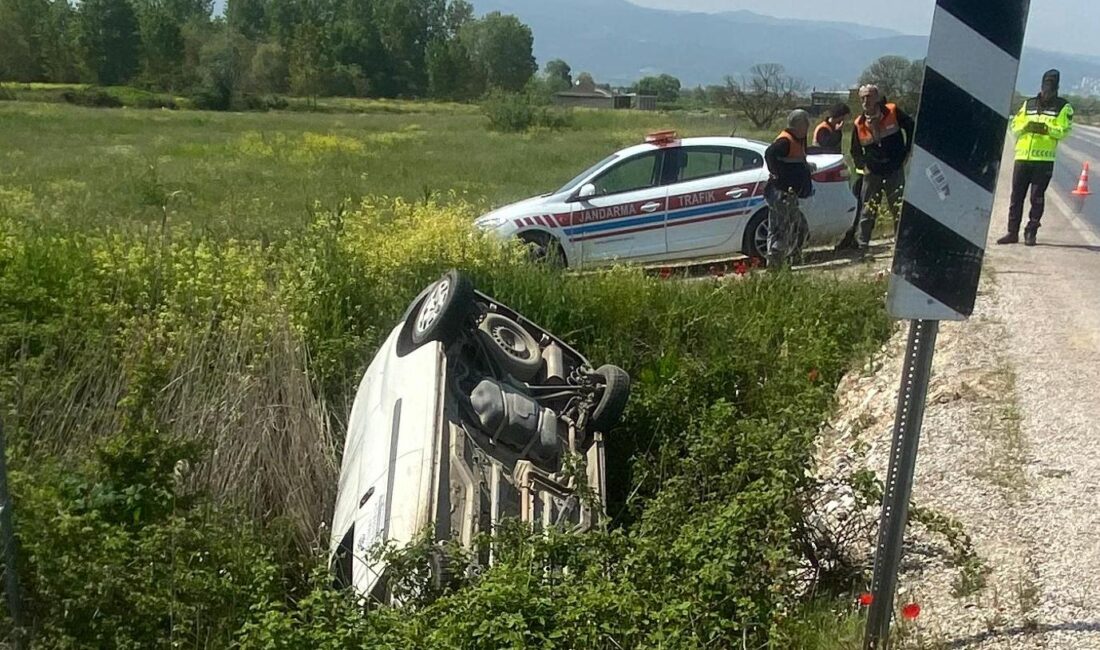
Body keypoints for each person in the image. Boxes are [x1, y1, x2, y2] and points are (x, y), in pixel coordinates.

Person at [998, 69, 1074, 246]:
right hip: (1023, 157)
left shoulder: (1064, 107)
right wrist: (1027, 125)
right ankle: (1012, 232)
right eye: (1045, 87)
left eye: (1051, 88)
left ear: (1056, 89)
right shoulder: (1028, 104)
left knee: (1036, 197)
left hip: (1043, 160)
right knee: (1016, 196)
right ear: (1041, 86)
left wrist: (1047, 129)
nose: (1047, 92)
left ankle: (1031, 232)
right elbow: (1015, 125)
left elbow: (1064, 131)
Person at [839, 84, 915, 253]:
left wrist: (907, 150)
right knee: (868, 210)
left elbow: (911, 126)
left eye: (869, 97)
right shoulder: (859, 123)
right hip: (873, 173)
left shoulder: (892, 111)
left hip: (894, 169)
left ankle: (901, 244)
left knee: (898, 208)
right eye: (863, 98)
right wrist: (863, 167)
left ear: (877, 98)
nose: (866, 101)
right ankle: (862, 246)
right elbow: (855, 150)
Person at [764, 109, 814, 269]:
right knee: (781, 230)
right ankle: (775, 267)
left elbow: (796, 161)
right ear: (799, 125)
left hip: (790, 194)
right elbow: (769, 153)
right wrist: (777, 174)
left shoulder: (798, 140)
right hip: (781, 194)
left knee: (799, 228)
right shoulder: (785, 142)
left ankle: (790, 259)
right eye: (806, 124)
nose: (808, 127)